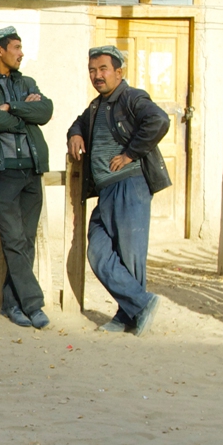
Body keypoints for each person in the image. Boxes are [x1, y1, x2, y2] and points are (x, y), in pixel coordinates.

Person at [65, 46, 171, 335]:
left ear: (118, 72)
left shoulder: (131, 97)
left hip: (130, 184)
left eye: (103, 69)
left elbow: (159, 120)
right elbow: (80, 121)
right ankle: (140, 304)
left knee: (129, 255)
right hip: (107, 191)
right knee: (98, 252)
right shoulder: (98, 105)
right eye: (92, 70)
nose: (97, 76)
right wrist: (75, 133)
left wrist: (130, 153)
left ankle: (129, 317)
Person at [0, 26, 53, 329]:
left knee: (24, 239)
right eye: (16, 47)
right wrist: (23, 114)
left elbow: (45, 111)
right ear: (0, 51)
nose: (21, 53)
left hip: (32, 165)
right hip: (2, 170)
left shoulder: (27, 82)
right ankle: (33, 304)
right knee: (14, 236)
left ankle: (11, 304)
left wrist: (12, 107)